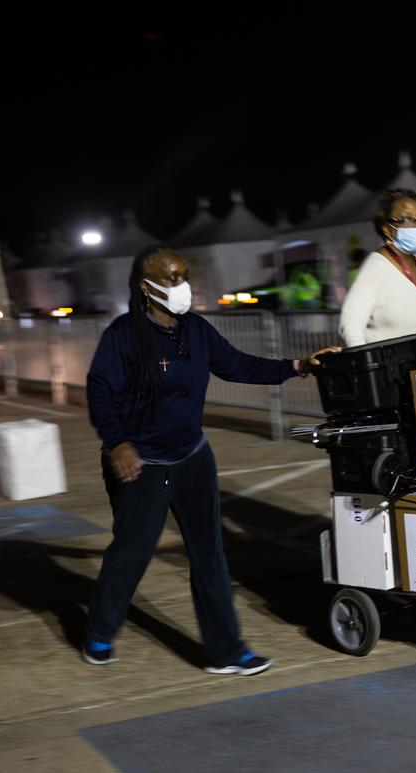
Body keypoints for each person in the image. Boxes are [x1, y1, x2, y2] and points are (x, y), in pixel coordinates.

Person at [83, 245, 339, 674]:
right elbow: (100, 392)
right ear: (146, 288)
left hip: (192, 459)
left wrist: (297, 365)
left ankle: (225, 652)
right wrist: (118, 443)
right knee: (132, 552)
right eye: (170, 278)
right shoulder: (123, 335)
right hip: (142, 465)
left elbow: (238, 365)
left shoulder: (196, 330)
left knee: (209, 555)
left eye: (183, 275)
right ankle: (99, 630)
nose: (181, 285)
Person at [339, 187, 416, 347]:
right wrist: (369, 365)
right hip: (399, 368)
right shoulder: (377, 267)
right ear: (386, 228)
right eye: (407, 219)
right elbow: (350, 324)